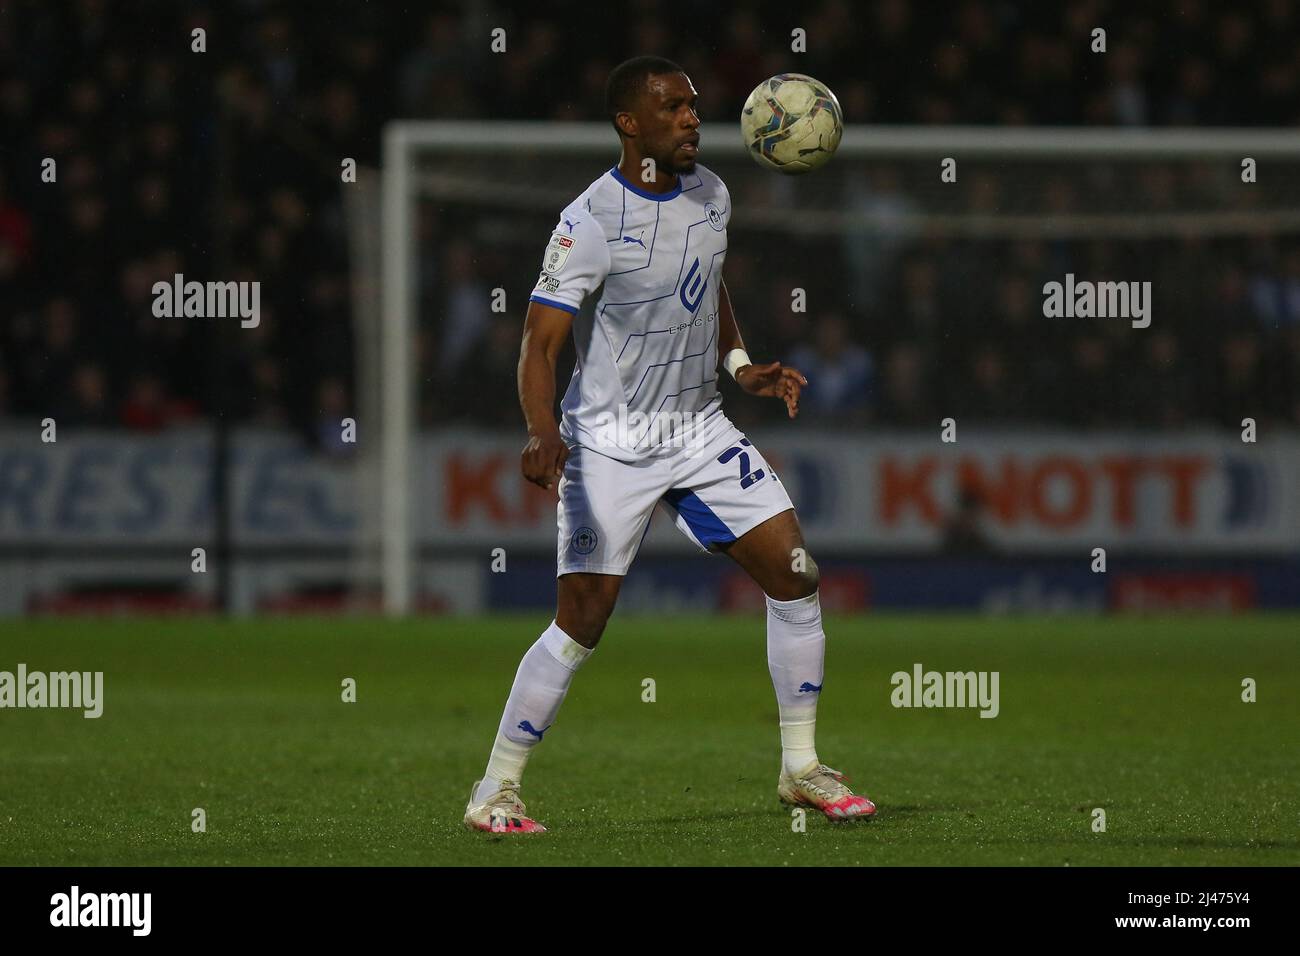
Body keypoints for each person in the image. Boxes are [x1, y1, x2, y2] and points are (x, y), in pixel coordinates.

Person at [464, 56, 875, 833]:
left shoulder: (711, 195)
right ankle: (495, 790)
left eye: (694, 106)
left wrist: (742, 366)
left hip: (697, 428)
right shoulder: (588, 221)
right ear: (630, 123)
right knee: (582, 621)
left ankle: (802, 769)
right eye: (675, 107)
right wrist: (541, 429)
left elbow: (707, 282)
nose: (694, 118)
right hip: (611, 444)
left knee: (796, 574)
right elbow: (538, 343)